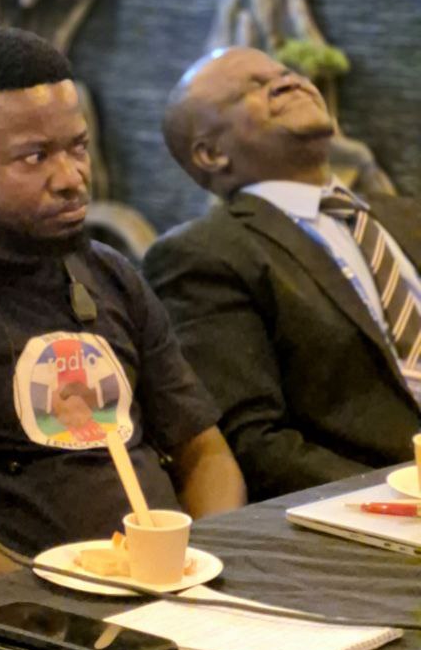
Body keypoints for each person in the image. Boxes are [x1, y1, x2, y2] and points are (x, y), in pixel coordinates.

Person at [0, 28, 245, 576]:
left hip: (170, 585)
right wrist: (58, 595)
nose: (71, 178)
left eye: (78, 147)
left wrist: (202, 560)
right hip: (25, 607)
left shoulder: (109, 273)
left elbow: (205, 451)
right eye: (35, 156)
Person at [143, 46, 421, 501]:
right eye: (255, 87)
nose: (290, 81)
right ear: (211, 153)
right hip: (371, 507)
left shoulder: (408, 217)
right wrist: (396, 498)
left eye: (287, 73)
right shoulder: (203, 255)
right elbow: (256, 444)